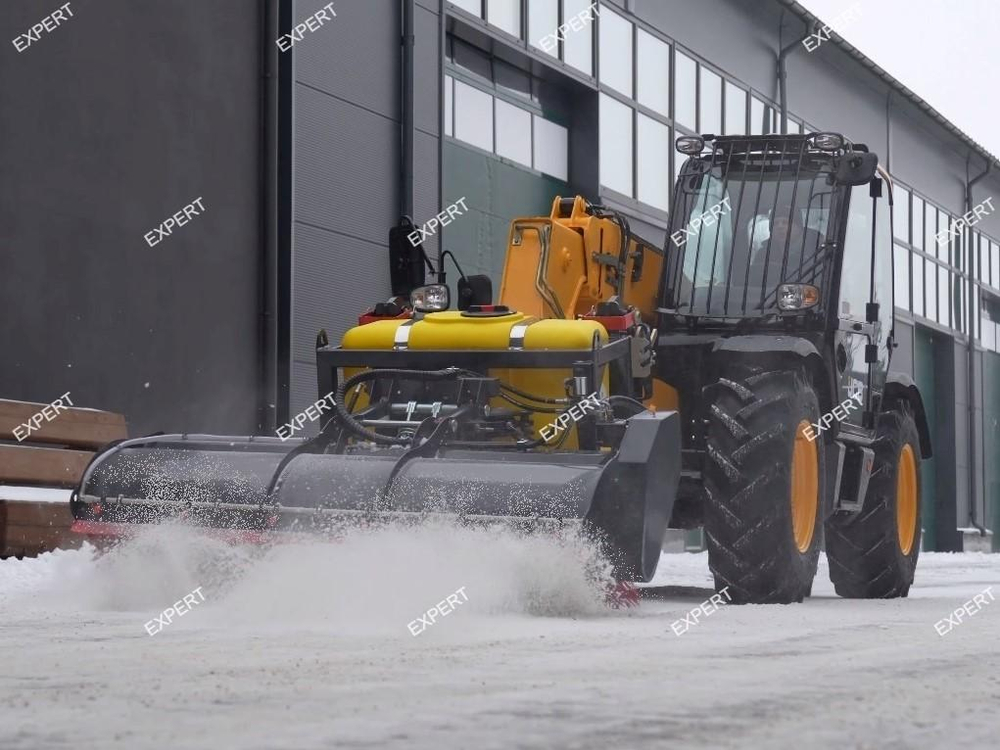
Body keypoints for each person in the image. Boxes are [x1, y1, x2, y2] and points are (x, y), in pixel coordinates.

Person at [751, 201, 823, 283]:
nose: (780, 227)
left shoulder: (817, 249)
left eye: (785, 222)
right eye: (775, 223)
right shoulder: (763, 254)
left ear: (799, 227)